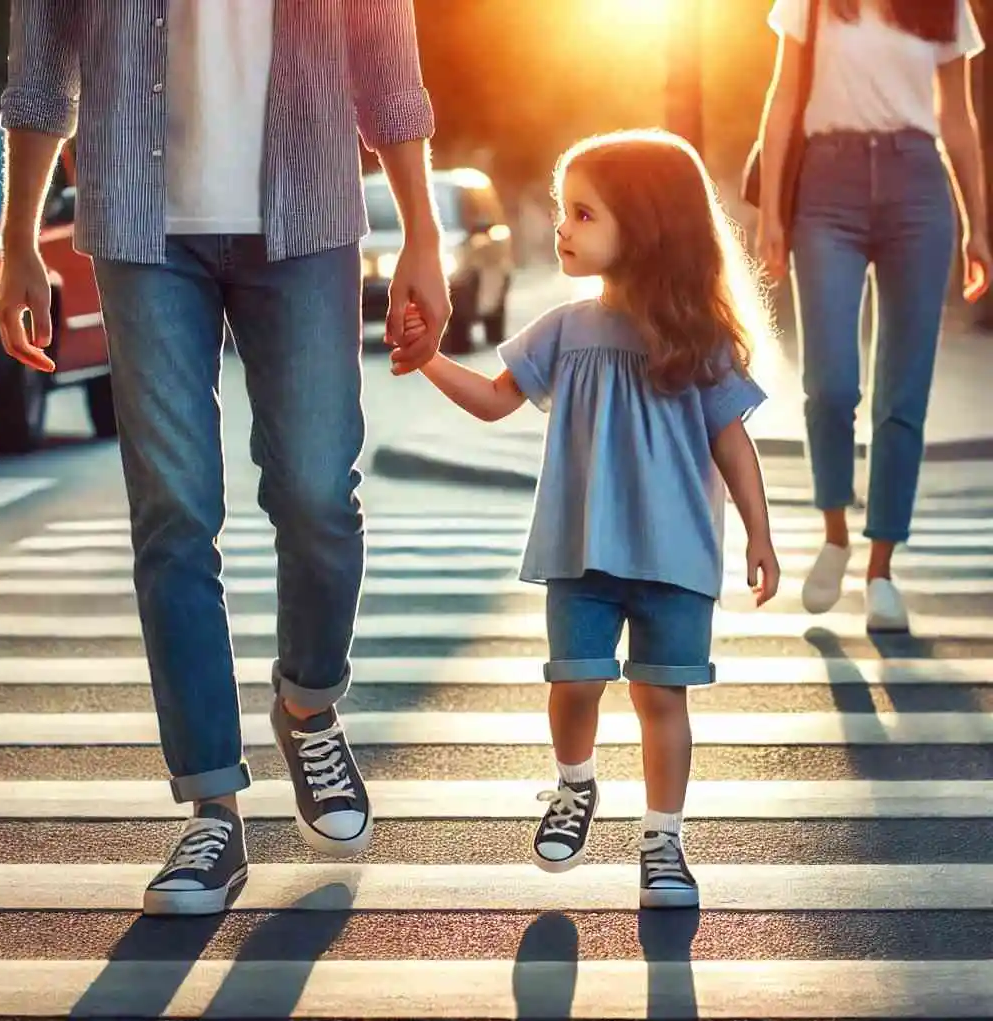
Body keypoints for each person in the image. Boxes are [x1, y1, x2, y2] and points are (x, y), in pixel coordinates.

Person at [0, 1, 451, 916]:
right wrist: (18, 240)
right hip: (139, 227)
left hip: (308, 215)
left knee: (319, 492)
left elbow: (386, 63)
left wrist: (422, 233)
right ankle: (211, 806)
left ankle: (309, 704)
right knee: (173, 515)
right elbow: (43, 64)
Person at [394, 129, 781, 908]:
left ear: (644, 225)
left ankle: (663, 841)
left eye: (582, 213)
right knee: (574, 684)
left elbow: (734, 446)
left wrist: (760, 536)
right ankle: (574, 786)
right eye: (561, 211)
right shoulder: (565, 329)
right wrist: (429, 360)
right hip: (580, 554)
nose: (561, 229)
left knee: (659, 698)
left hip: (675, 558)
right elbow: (498, 401)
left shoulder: (698, 339)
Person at [755, 0, 991, 631]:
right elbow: (782, 101)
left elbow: (959, 120)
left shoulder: (946, 7)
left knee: (902, 396)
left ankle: (881, 569)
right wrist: (772, 214)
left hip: (918, 189)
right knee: (830, 386)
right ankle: (835, 530)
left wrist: (978, 228)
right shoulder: (812, 5)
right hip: (826, 191)